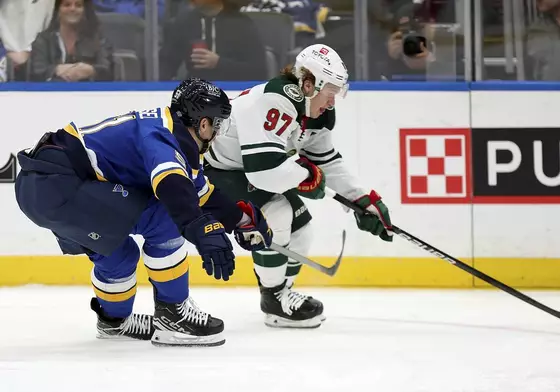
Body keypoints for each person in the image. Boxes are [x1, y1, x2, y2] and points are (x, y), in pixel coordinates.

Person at [14, 78, 273, 347]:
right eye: (218, 123)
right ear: (204, 123)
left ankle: (114, 322)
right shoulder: (163, 136)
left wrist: (240, 219)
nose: (218, 132)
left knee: (119, 254)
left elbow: (197, 191)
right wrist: (199, 225)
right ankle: (173, 314)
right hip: (60, 183)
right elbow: (171, 184)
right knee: (163, 218)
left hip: (43, 185)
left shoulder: (171, 133)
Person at [203, 44, 393, 329]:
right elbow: (264, 171)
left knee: (302, 228)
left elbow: (324, 160)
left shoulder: (316, 112)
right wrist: (305, 178)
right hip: (218, 170)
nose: (331, 103)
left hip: (248, 170)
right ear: (308, 84)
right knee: (277, 214)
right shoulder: (275, 100)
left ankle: (280, 292)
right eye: (329, 93)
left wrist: (361, 199)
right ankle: (274, 300)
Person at [30, 0, 114, 82]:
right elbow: (36, 71)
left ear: (85, 10)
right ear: (58, 10)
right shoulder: (43, 40)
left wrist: (91, 70)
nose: (72, 9)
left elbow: (108, 69)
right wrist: (56, 70)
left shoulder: (99, 39)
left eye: (78, 5)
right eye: (67, 5)